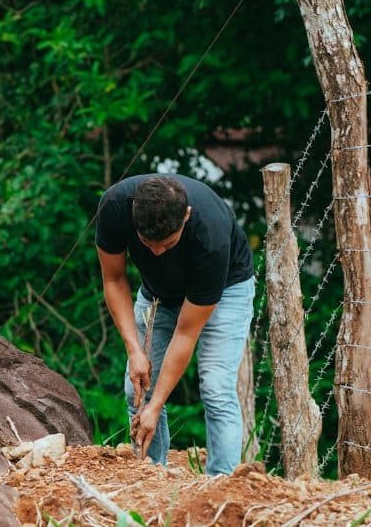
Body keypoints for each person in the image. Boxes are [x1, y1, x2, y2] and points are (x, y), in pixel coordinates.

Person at [95, 173, 254, 475]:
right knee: (136, 388)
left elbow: (186, 332)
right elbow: (114, 279)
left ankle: (220, 483)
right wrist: (134, 352)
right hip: (158, 292)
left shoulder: (211, 236)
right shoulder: (114, 207)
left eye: (167, 244)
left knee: (216, 388)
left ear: (187, 216)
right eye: (147, 243)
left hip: (226, 290)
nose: (155, 253)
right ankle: (152, 475)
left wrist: (155, 406)